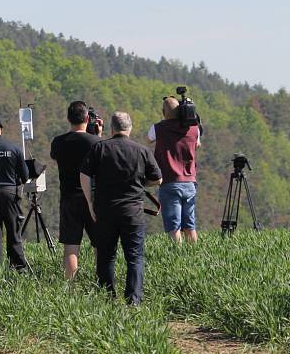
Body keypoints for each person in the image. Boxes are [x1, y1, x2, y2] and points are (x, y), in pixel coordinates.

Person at [80, 112, 162, 305]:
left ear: (112, 128)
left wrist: (90, 202)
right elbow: (158, 179)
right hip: (133, 211)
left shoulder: (100, 148)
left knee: (106, 256)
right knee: (134, 257)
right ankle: (133, 300)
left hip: (105, 210)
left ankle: (107, 297)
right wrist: (142, 184)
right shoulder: (142, 150)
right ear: (130, 128)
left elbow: (84, 175)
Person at [50, 101, 103, 279]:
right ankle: (102, 281)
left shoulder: (58, 142)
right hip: (93, 198)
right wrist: (98, 135)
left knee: (71, 246)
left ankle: (70, 286)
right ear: (88, 118)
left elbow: (56, 158)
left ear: (68, 118)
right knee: (99, 244)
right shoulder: (96, 142)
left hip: (68, 197)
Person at [147, 96, 201, 244]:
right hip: (190, 181)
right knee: (190, 226)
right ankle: (194, 255)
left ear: (163, 112)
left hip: (170, 181)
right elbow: (197, 144)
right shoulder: (194, 129)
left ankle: (178, 257)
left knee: (174, 227)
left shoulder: (158, 128)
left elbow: (148, 138)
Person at [0, 113, 30, 272]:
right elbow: (25, 176)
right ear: (1, 128)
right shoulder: (14, 148)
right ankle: (18, 267)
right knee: (14, 232)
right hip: (10, 194)